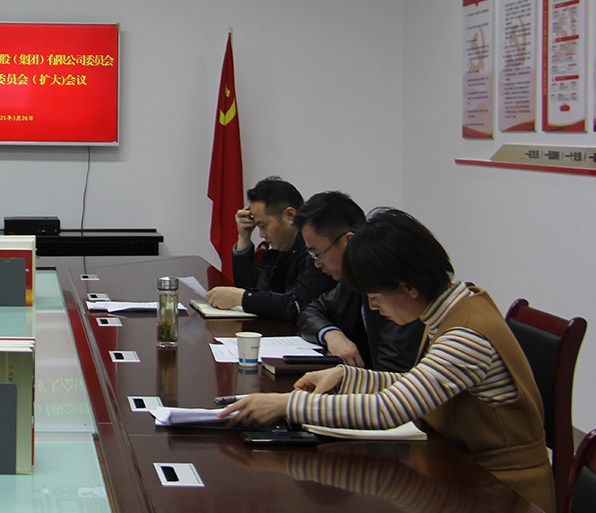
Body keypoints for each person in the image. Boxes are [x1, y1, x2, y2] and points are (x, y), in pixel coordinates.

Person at [221, 208, 553, 512]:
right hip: (463, 473)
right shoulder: (453, 307)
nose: (374, 307)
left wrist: (286, 404)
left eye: (375, 296)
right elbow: (419, 384)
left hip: (502, 492)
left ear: (409, 287)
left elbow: (388, 409)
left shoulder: (465, 336)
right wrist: (347, 376)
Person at [294, 190, 422, 370]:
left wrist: (345, 376)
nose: (317, 264)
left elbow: (393, 373)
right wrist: (332, 335)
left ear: (348, 241)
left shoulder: (393, 286)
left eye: (318, 254)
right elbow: (311, 311)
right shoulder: (352, 282)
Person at [206, 176, 334, 322]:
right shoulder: (277, 252)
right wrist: (244, 238)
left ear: (290, 216)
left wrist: (241, 298)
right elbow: (253, 290)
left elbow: (297, 305)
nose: (261, 235)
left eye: (264, 226)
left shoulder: (315, 253)